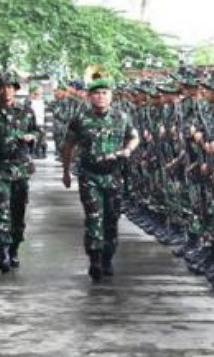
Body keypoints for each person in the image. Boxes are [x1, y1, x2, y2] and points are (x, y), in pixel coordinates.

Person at [61, 72, 139, 282]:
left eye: (105, 93)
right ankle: (94, 258)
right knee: (94, 217)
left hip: (113, 175)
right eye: (96, 93)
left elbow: (134, 137)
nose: (101, 97)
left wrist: (128, 149)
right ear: (89, 97)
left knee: (111, 219)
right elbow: (68, 146)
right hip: (89, 175)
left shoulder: (121, 117)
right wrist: (66, 172)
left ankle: (107, 258)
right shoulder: (80, 119)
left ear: (111, 96)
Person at [0, 71, 39, 273]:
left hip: (21, 167)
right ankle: (2, 252)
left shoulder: (26, 111)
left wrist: (32, 137)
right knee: (2, 209)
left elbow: (37, 131)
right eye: (2, 87)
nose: (6, 91)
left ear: (16, 89)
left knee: (18, 210)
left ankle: (14, 248)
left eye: (10, 87)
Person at [26, 86, 47, 158]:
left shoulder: (44, 102)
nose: (37, 95)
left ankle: (42, 153)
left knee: (42, 139)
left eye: (39, 94)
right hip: (33, 123)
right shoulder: (29, 102)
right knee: (34, 138)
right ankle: (34, 152)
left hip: (41, 122)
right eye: (36, 93)